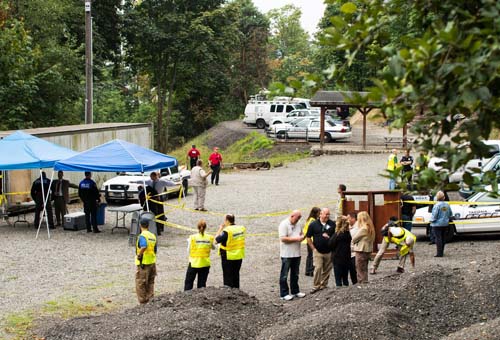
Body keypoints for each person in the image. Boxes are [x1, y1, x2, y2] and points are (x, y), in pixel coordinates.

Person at [306, 207, 335, 293]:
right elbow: (308, 238)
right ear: (320, 214)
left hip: (329, 251)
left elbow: (335, 236)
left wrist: (330, 238)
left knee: (327, 269)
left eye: (328, 214)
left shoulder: (332, 224)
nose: (327, 216)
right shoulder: (313, 224)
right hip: (318, 251)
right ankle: (316, 285)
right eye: (325, 214)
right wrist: (313, 249)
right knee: (318, 268)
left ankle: (324, 285)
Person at [278, 210, 306, 301]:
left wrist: (302, 237)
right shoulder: (284, 224)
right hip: (286, 254)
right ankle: (284, 293)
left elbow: (301, 234)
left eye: (299, 218)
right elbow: (283, 238)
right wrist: (296, 239)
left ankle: (295, 291)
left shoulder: (298, 224)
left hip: (296, 253)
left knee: (295, 274)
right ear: (292, 216)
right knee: (284, 274)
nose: (298, 219)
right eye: (297, 217)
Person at [214, 214, 245, 288]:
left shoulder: (227, 231)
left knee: (228, 276)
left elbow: (215, 240)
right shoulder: (241, 228)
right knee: (236, 275)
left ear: (227, 221)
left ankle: (229, 294)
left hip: (228, 256)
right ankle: (237, 291)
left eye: (224, 220)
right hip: (239, 255)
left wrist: (220, 228)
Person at [184, 219, 214, 291]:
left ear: (197, 227)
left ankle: (187, 298)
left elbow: (188, 250)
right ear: (205, 227)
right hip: (205, 263)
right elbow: (214, 247)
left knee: (189, 283)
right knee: (202, 284)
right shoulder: (209, 237)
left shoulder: (192, 237)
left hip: (194, 263)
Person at [135, 218, 157, 304]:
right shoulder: (153, 236)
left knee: (141, 283)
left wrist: (139, 255)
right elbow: (154, 250)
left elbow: (144, 246)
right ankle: (150, 301)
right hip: (152, 262)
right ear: (148, 225)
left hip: (143, 264)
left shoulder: (142, 236)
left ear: (140, 225)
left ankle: (143, 303)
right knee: (150, 283)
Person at [352, 211, 375, 283]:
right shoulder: (370, 227)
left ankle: (362, 283)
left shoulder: (363, 228)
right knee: (364, 268)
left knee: (360, 268)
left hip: (361, 250)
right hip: (367, 250)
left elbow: (354, 238)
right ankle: (365, 281)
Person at [329, 216, 352, 287]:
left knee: (338, 278)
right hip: (346, 257)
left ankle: (339, 290)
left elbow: (330, 245)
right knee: (345, 277)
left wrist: (329, 238)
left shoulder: (337, 235)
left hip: (337, 258)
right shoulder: (348, 234)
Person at [430, 191, 453, 257]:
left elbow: (434, 215)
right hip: (445, 223)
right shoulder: (447, 205)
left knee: (438, 238)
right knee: (443, 238)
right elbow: (450, 214)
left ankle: (439, 253)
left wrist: (431, 221)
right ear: (444, 197)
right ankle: (442, 251)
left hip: (437, 224)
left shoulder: (436, 205)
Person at [302, 207, 321, 276]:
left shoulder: (309, 219)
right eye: (319, 213)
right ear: (315, 213)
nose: (320, 214)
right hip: (312, 240)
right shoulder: (313, 221)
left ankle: (308, 270)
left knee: (309, 256)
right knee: (313, 256)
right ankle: (311, 271)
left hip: (308, 240)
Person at [347, 212, 358, 285]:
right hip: (352, 253)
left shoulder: (355, 229)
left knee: (354, 271)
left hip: (354, 252)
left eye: (348, 219)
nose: (347, 220)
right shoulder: (351, 227)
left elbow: (352, 241)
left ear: (353, 219)